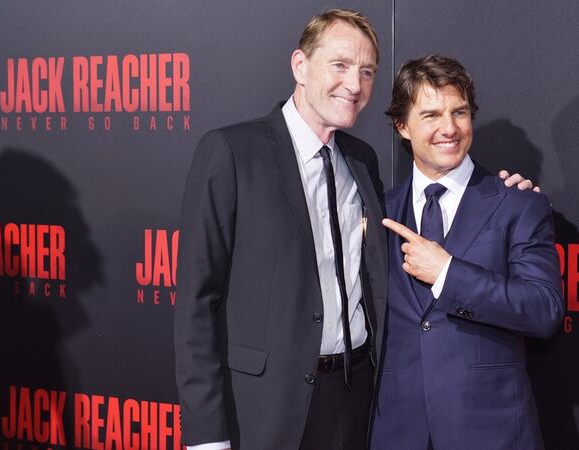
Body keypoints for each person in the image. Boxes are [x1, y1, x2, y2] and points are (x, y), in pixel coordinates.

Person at [174, 9, 536, 450]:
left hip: (356, 401)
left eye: (367, 71)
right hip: (266, 407)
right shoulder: (232, 152)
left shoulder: (362, 162)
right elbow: (196, 303)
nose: (354, 83)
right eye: (340, 65)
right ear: (299, 66)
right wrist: (207, 438)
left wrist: (503, 196)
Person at [371, 55, 563, 450]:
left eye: (459, 112)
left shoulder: (517, 204)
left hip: (491, 433)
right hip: (396, 432)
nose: (449, 128)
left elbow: (544, 309)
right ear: (402, 126)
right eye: (431, 115)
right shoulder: (378, 211)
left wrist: (448, 273)